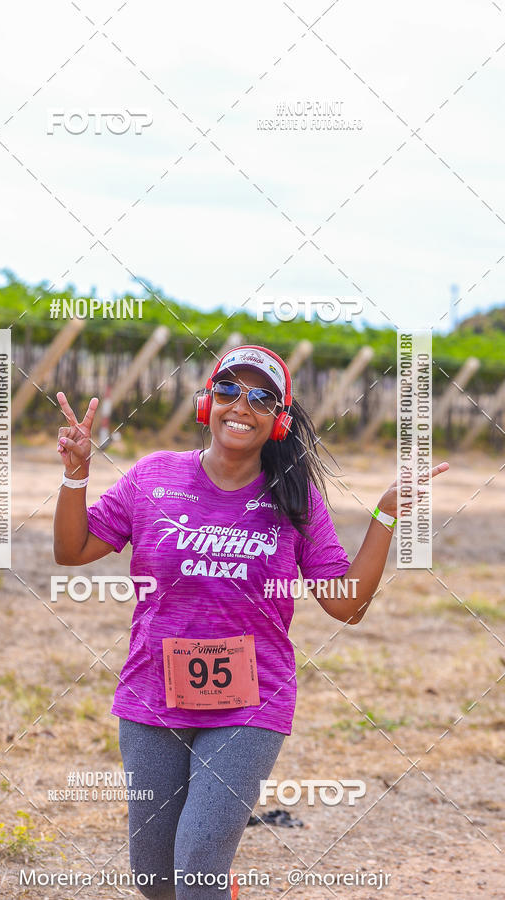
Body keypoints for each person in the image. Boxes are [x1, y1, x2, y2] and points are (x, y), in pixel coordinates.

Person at [53, 344, 449, 899]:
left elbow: (346, 605)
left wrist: (385, 514)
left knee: (197, 867)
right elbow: (72, 551)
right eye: (228, 389)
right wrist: (77, 475)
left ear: (279, 420)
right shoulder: (153, 477)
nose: (242, 403)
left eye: (262, 396)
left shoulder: (295, 499)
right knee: (153, 878)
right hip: (151, 694)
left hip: (250, 702)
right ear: (205, 403)